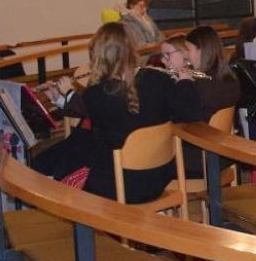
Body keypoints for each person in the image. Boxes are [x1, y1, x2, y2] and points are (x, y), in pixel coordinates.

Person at [33, 23, 203, 203]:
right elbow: (191, 113)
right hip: (157, 181)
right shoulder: (159, 79)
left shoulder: (96, 94)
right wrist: (185, 82)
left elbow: (88, 130)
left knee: (61, 179)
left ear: (99, 56)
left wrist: (68, 93)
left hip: (115, 187)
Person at [184, 25, 241, 119]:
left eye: (188, 49)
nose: (185, 55)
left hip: (202, 127)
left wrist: (184, 84)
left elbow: (187, 113)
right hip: (221, 127)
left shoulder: (203, 83)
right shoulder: (230, 76)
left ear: (201, 50)